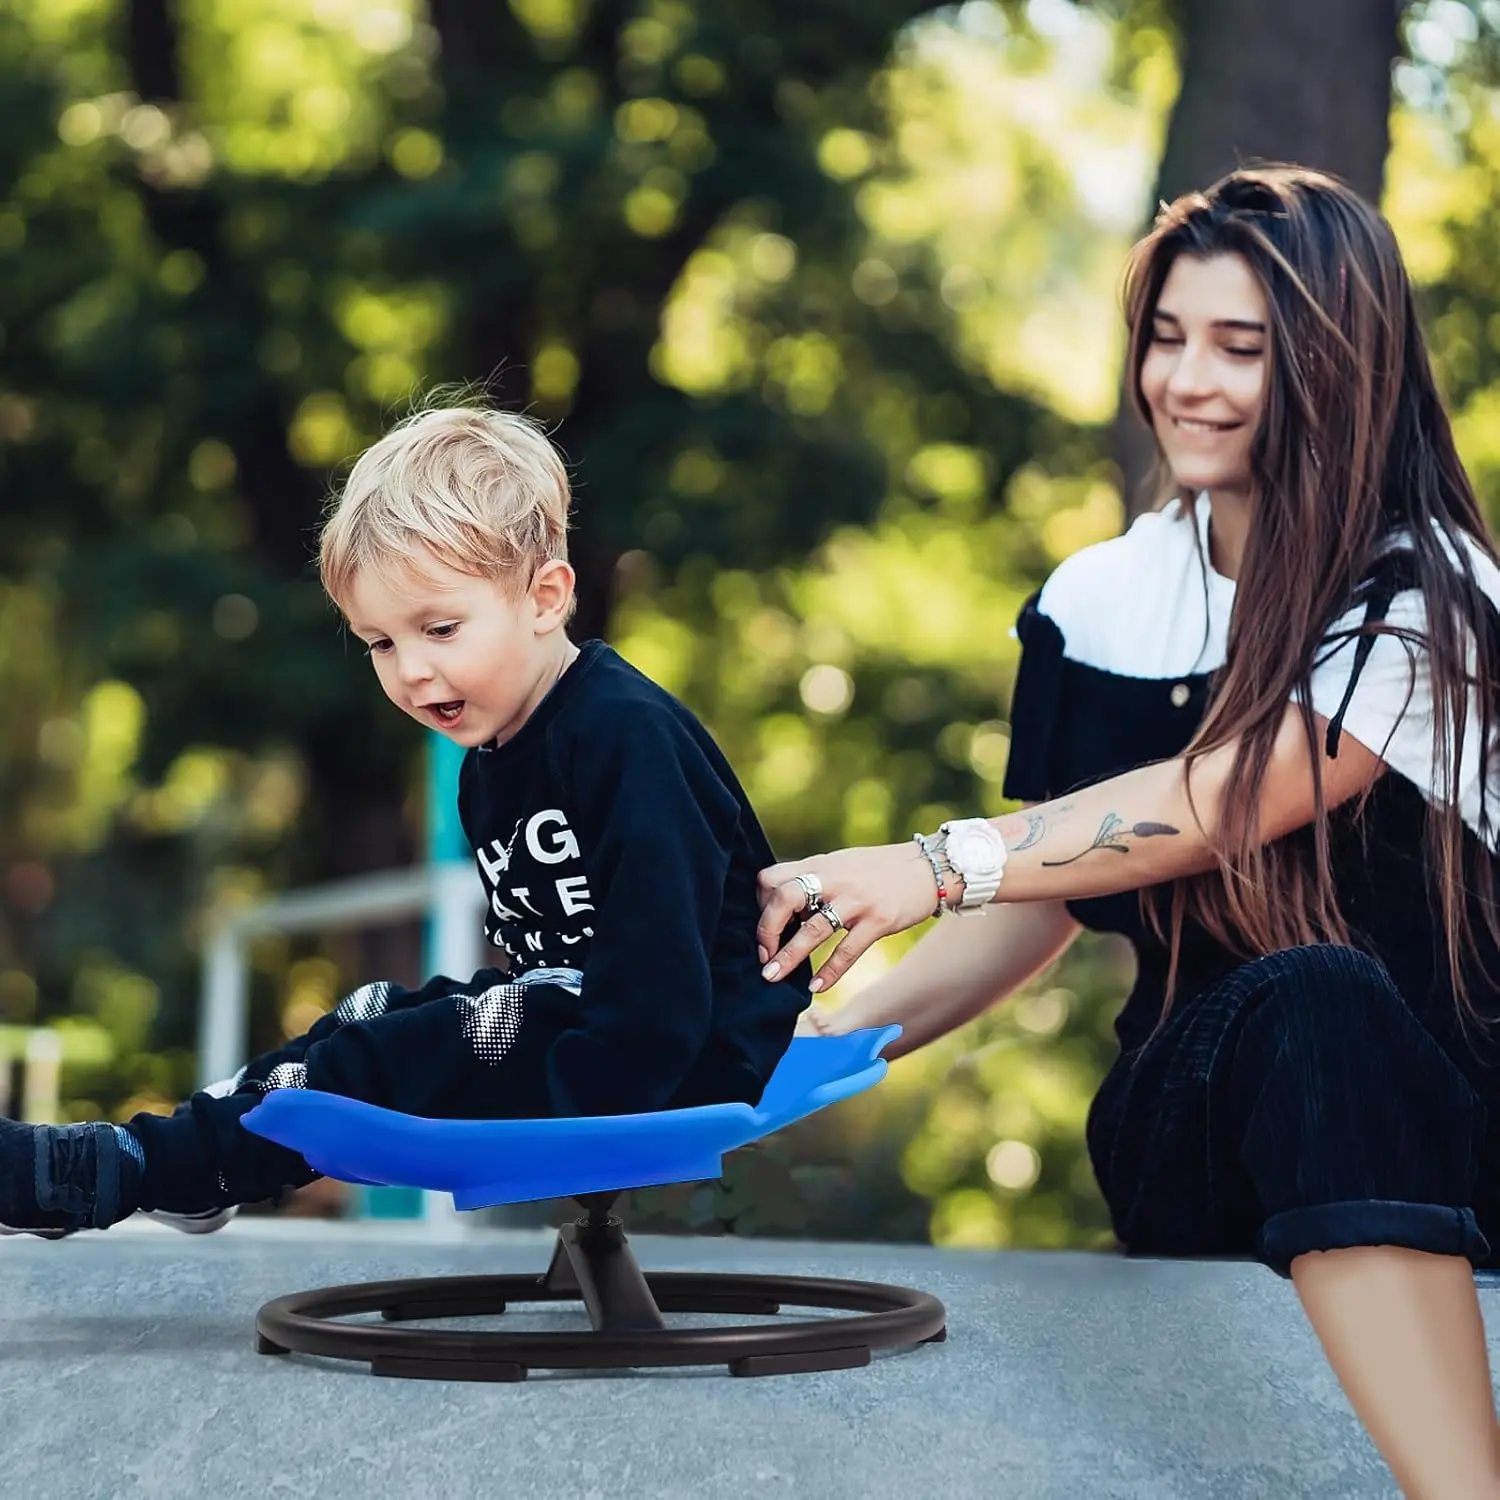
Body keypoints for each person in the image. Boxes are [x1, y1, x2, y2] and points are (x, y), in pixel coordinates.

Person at [756, 165, 1500, 1498]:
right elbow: (1051, 895)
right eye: (1166, 337)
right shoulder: (1099, 599)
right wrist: (797, 1053)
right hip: (1195, 1131)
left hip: (1460, 1143)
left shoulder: (1431, 595)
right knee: (1300, 1005)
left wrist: (931, 864)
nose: (1186, 382)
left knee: (1328, 996)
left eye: (1241, 348)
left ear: (1340, 366)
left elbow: (1219, 803)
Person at [0, 402, 810, 1238]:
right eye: (381, 643)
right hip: (586, 1020)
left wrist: (568, 1110)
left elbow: (659, 958)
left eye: (441, 628)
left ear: (546, 596)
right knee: (370, 1012)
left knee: (398, 1052)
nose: (413, 672)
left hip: (678, 1058)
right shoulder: (493, 759)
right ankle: (204, 1148)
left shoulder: (620, 733)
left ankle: (134, 1169)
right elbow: (548, 961)